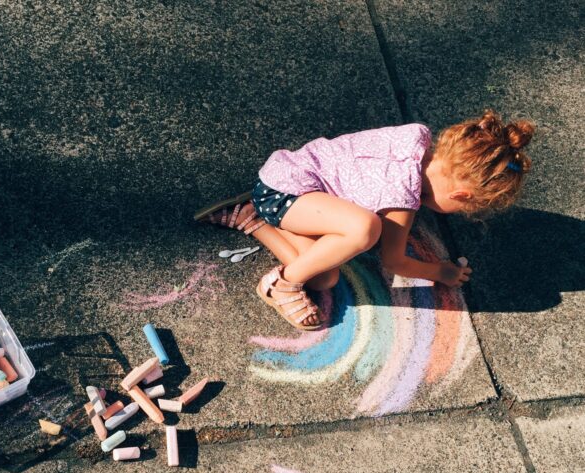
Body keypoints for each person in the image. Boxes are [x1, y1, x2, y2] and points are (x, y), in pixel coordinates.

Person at [194, 110, 535, 330]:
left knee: (325, 277)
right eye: (466, 208)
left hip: (289, 180)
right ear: (463, 196)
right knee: (364, 229)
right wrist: (440, 272)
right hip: (287, 194)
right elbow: (394, 260)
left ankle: (250, 218)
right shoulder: (402, 196)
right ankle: (281, 284)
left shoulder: (416, 139)